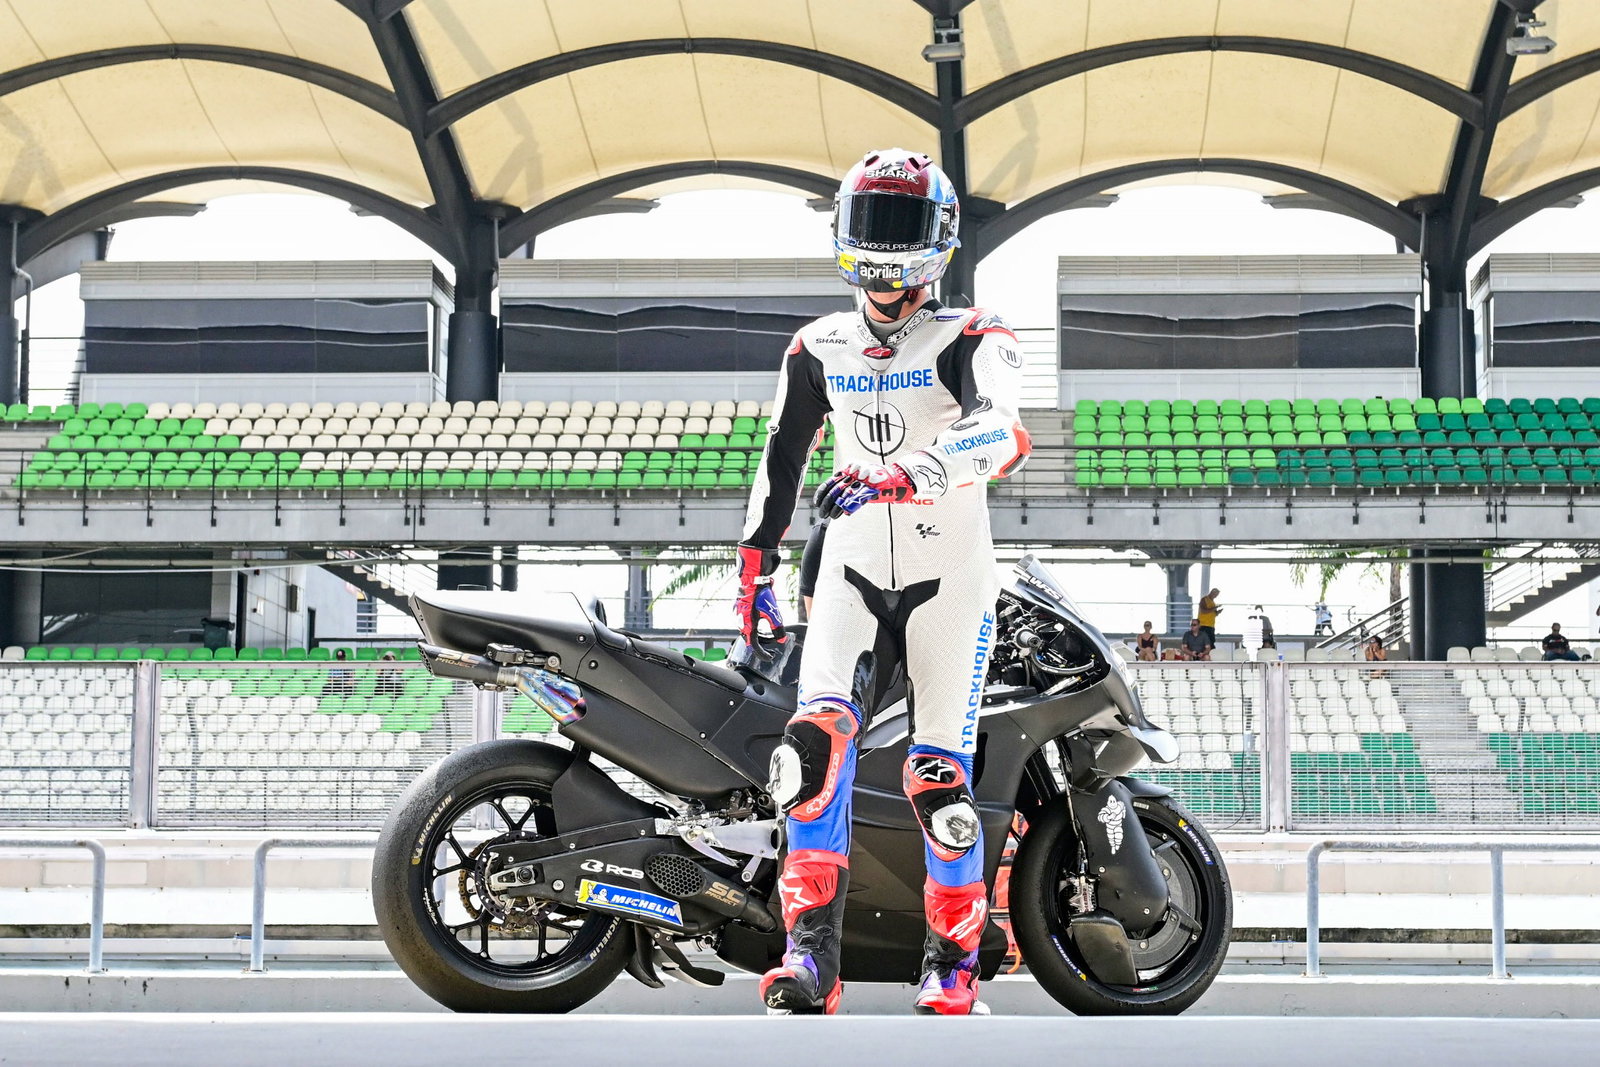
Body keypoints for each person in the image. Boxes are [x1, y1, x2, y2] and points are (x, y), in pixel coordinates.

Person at [734, 148, 1030, 1017]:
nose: (884, 249)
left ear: (939, 242)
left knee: (939, 779)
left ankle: (954, 968)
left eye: (901, 228)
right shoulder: (814, 346)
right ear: (842, 231)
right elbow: (779, 460)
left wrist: (909, 473)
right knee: (811, 756)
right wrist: (753, 569)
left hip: (952, 578)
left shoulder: (975, 334)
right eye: (871, 223)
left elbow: (1005, 433)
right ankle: (808, 962)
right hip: (854, 572)